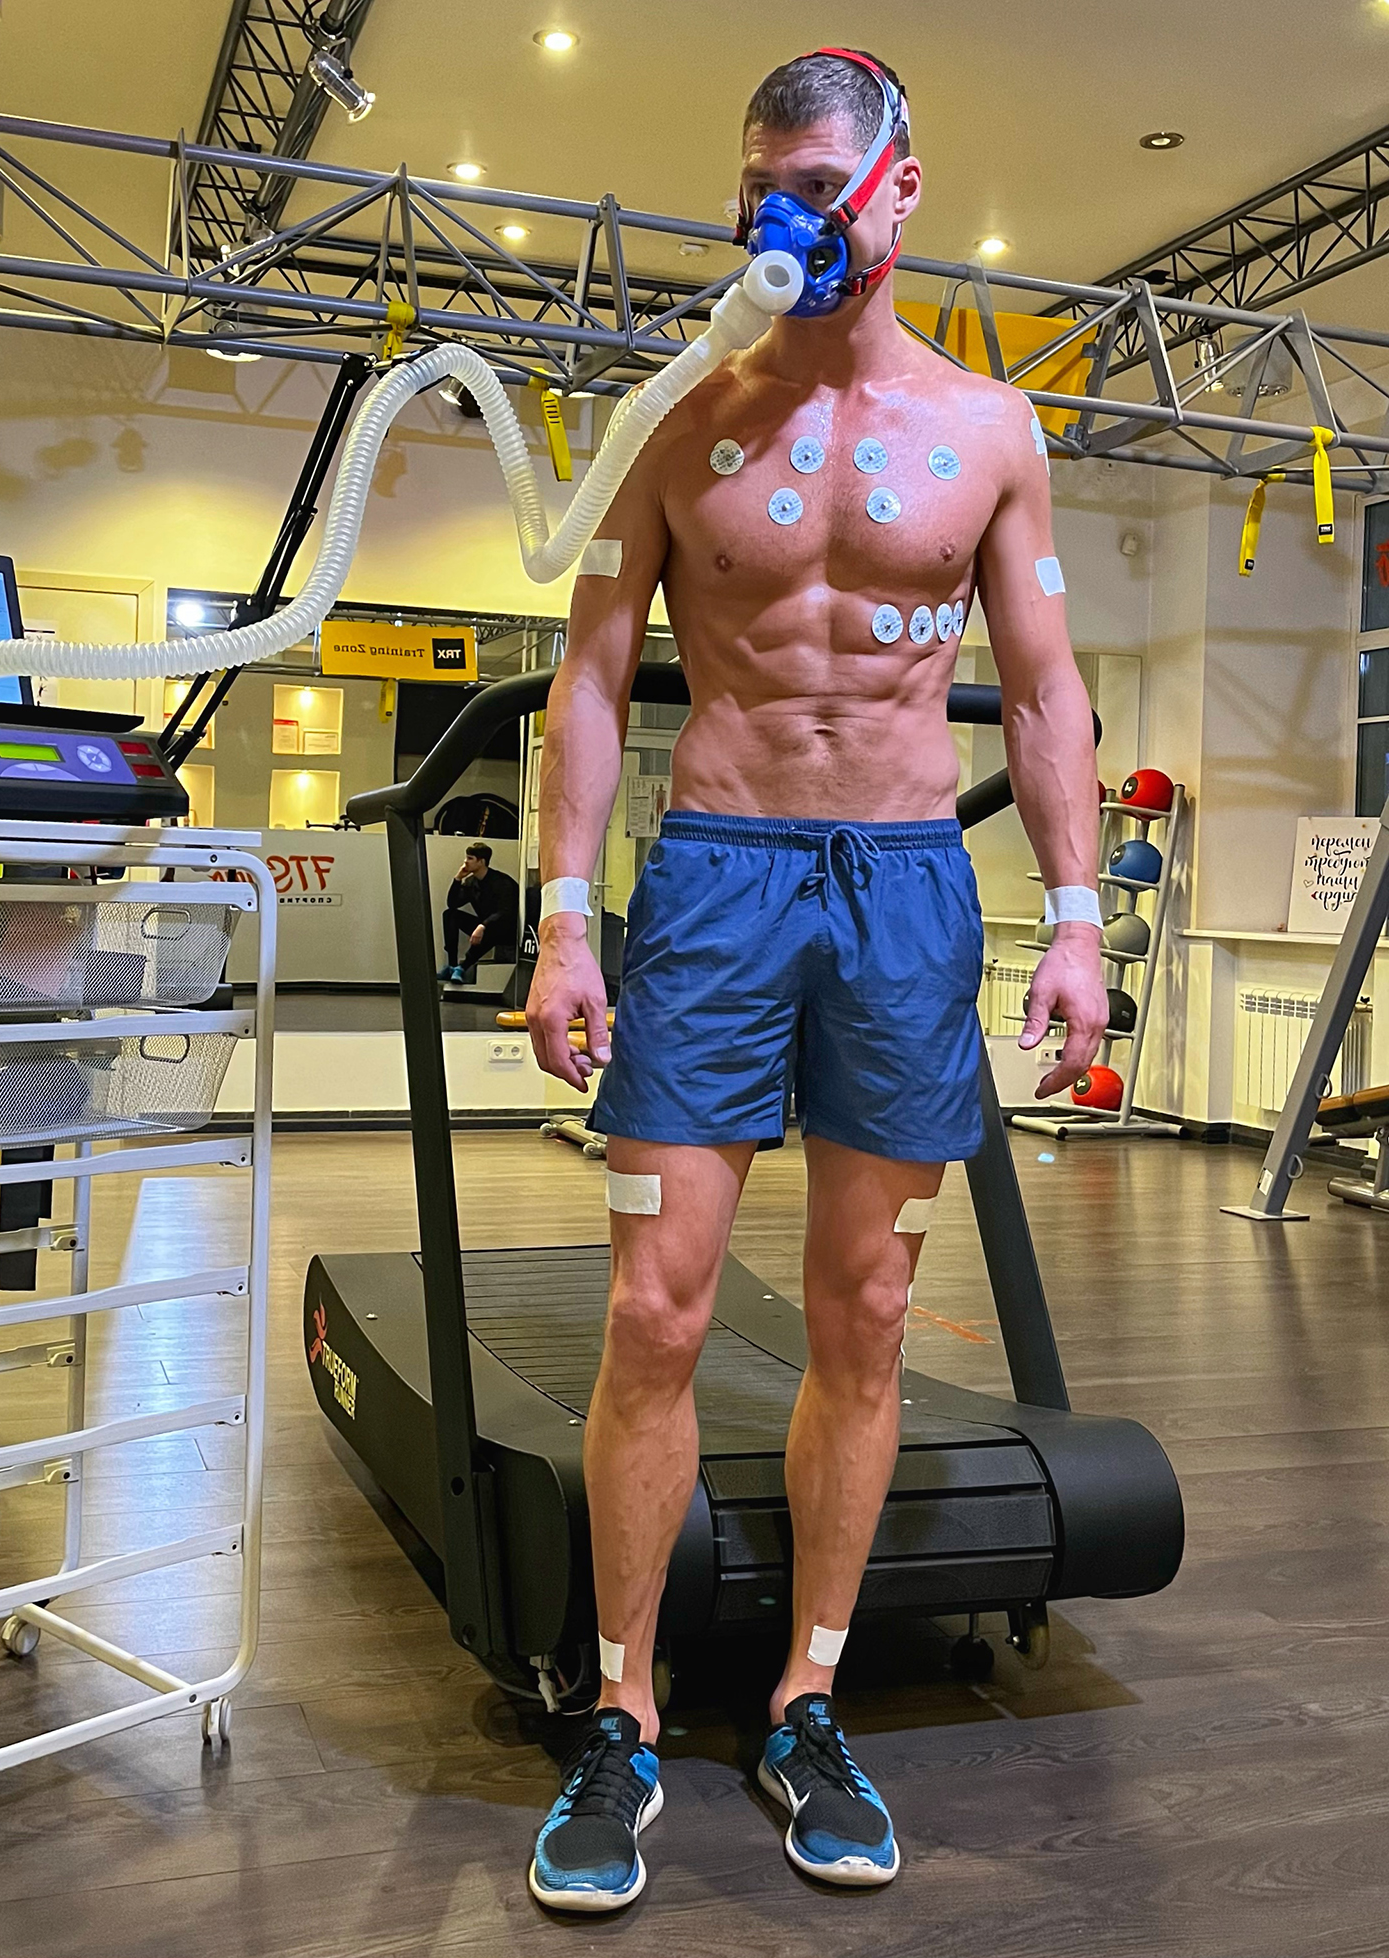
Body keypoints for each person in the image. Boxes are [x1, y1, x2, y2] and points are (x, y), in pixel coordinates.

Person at [521, 47, 1108, 1912]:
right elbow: (593, 674)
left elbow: (1043, 692)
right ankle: (622, 1710)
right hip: (717, 879)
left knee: (867, 1307)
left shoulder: (992, 429)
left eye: (814, 186)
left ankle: (807, 1698)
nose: (781, 219)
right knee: (656, 1311)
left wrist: (1079, 916)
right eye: (756, 187)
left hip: (910, 891)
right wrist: (561, 910)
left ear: (898, 191)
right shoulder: (679, 415)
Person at [437, 842, 519, 984]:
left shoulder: (502, 882)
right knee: (449, 914)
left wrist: (483, 925)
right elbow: (452, 904)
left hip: (505, 929)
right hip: (485, 925)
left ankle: (463, 967)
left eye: (470, 858)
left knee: (490, 930)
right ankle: (452, 965)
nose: (465, 862)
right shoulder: (471, 882)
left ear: (481, 862)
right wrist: (457, 879)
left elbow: (506, 912)